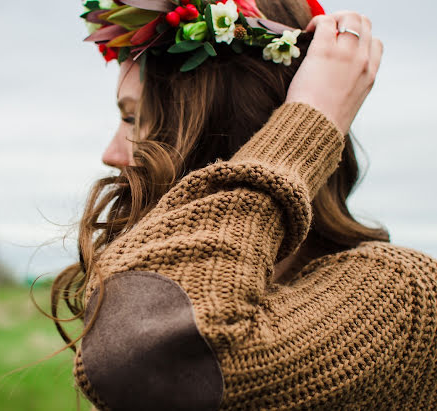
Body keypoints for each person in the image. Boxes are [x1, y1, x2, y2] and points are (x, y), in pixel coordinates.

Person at [45, 0, 437, 409]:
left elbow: (151, 362)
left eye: (132, 118)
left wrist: (309, 119)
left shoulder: (403, 293)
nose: (112, 153)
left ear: (220, 129)